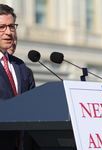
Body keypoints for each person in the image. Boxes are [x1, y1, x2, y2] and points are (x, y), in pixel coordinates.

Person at [0, 4, 36, 150]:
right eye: (2, 27)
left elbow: (33, 107)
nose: (8, 32)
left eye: (12, 26)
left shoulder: (21, 67)